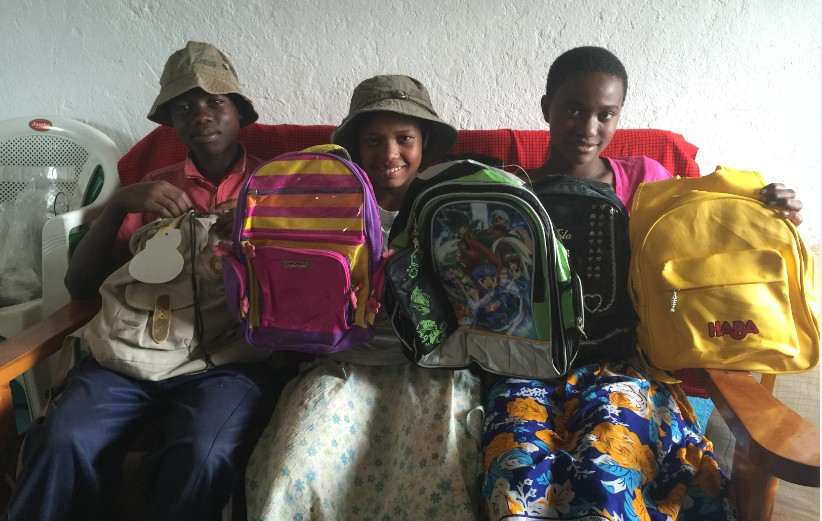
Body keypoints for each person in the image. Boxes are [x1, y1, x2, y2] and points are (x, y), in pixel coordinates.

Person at [481, 46, 802, 521]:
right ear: (546, 107)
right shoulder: (509, 189)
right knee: (516, 473)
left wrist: (768, 213)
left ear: (619, 116)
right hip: (524, 366)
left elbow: (711, 244)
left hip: (623, 367)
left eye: (605, 114)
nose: (589, 128)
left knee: (609, 465)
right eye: (573, 110)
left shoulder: (648, 183)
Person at [5, 41, 285, 521]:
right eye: (184, 107)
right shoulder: (153, 187)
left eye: (216, 101)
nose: (201, 115)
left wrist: (255, 229)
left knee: (204, 452)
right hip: (130, 355)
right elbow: (81, 288)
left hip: (229, 359)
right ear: (171, 122)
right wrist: (120, 204)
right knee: (65, 438)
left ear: (240, 112)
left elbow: (299, 292)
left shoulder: (276, 187)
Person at [245, 74, 484, 520]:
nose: (389, 153)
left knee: (435, 482)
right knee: (291, 473)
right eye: (373, 140)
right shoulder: (321, 207)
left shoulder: (452, 207)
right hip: (343, 364)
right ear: (355, 146)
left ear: (424, 143)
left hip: (432, 368)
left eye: (404, 138)